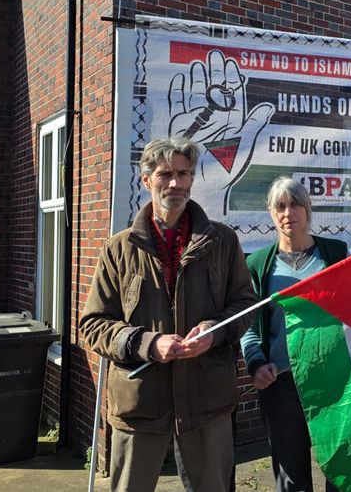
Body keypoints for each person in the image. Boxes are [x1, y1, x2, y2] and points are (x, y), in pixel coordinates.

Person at [80, 137, 257, 492]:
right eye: (165, 174)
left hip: (207, 399)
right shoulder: (119, 248)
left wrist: (214, 332)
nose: (175, 183)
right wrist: (147, 343)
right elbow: (93, 325)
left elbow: (245, 306)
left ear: (192, 178)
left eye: (183, 173)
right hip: (139, 403)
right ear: (147, 180)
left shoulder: (223, 241)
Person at [241, 177, 348, 492]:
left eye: (296, 204)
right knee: (291, 477)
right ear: (271, 213)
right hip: (282, 385)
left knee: (342, 468)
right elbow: (249, 326)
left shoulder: (335, 253)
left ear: (308, 208)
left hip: (333, 382)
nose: (289, 213)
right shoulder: (258, 264)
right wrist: (255, 363)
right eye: (281, 206)